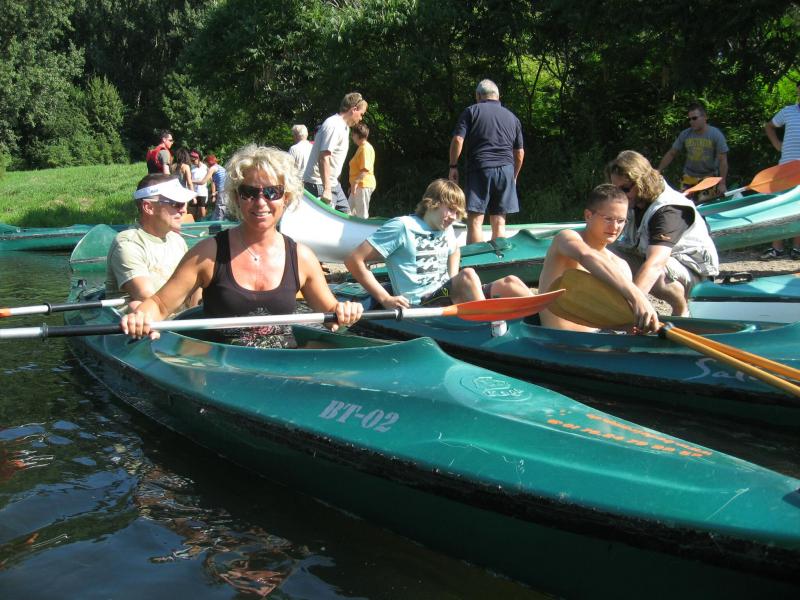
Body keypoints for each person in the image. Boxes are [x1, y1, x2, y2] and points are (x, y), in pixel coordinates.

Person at [120, 145, 363, 343]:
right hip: (222, 370)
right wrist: (140, 316)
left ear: (286, 198)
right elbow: (159, 305)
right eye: (249, 192)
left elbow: (332, 315)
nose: (261, 202)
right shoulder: (208, 254)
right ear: (237, 198)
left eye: (272, 192)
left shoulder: (303, 258)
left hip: (284, 367)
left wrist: (345, 311)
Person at [344, 179, 531, 310]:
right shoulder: (402, 227)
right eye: (450, 210)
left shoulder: (446, 229)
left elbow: (454, 251)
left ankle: (543, 320)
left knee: (511, 283)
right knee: (468, 275)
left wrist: (453, 279)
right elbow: (354, 260)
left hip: (446, 294)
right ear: (432, 203)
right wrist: (385, 298)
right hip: (421, 304)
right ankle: (490, 327)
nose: (453, 217)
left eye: (457, 213)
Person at [608, 150, 719, 317]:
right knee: (602, 252)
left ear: (642, 183)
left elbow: (655, 264)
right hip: (656, 261)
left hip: (695, 275)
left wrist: (630, 307)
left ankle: (682, 309)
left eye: (625, 189)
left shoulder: (668, 210)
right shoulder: (634, 201)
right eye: (615, 190)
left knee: (657, 275)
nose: (620, 196)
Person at [538, 184, 660, 333]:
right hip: (556, 340)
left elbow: (623, 320)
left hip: (600, 339)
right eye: (608, 219)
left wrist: (637, 326)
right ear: (588, 216)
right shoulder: (566, 238)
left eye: (621, 221)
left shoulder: (621, 265)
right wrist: (638, 296)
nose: (615, 227)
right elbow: (586, 255)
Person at [448, 79, 524, 244]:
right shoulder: (513, 118)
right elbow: (519, 153)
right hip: (506, 170)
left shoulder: (471, 111)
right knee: (499, 222)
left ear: (478, 95)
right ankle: (498, 258)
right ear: (498, 96)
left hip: (481, 168)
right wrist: (514, 175)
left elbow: (458, 140)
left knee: (475, 221)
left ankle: (476, 259)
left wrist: (453, 166)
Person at [106, 174, 198, 305]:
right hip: (142, 314)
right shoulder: (127, 244)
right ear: (149, 207)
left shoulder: (177, 241)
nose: (183, 210)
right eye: (176, 204)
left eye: (184, 203)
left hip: (175, 314)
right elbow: (147, 298)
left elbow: (192, 288)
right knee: (135, 306)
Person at [303, 92, 368, 212]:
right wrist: (327, 189)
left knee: (347, 217)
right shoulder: (334, 125)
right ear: (354, 109)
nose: (361, 118)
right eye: (361, 114)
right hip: (319, 184)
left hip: (333, 184)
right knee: (326, 221)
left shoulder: (344, 128)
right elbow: (324, 157)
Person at [657, 102, 729, 201]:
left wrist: (722, 183)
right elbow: (672, 153)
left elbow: (723, 160)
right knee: (684, 203)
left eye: (694, 118)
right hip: (689, 177)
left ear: (705, 117)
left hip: (708, 178)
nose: (691, 121)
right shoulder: (685, 134)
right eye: (689, 119)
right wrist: (658, 170)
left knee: (703, 202)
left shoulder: (716, 134)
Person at [762, 81, 800, 259]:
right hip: (785, 168)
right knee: (779, 206)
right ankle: (777, 248)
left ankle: (797, 248)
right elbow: (769, 126)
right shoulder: (788, 111)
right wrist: (777, 144)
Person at [347, 122, 376, 218]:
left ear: (357, 135)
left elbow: (365, 170)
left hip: (363, 185)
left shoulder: (365, 148)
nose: (352, 137)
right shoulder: (361, 148)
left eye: (353, 134)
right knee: (348, 212)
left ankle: (362, 228)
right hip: (358, 186)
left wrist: (355, 183)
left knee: (361, 215)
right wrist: (353, 185)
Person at [196, 154, 228, 220]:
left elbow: (203, 182)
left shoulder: (212, 168)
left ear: (208, 162)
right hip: (226, 191)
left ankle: (218, 225)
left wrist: (190, 181)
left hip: (222, 193)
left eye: (206, 164)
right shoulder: (220, 167)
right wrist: (215, 193)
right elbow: (222, 182)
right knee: (222, 211)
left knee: (220, 212)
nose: (206, 166)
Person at [189, 149, 209, 220]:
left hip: (202, 192)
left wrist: (213, 192)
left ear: (198, 158)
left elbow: (212, 180)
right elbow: (189, 179)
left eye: (193, 160)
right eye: (191, 160)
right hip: (193, 192)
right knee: (192, 212)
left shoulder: (205, 167)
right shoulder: (191, 167)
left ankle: (203, 225)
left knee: (202, 213)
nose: (192, 162)